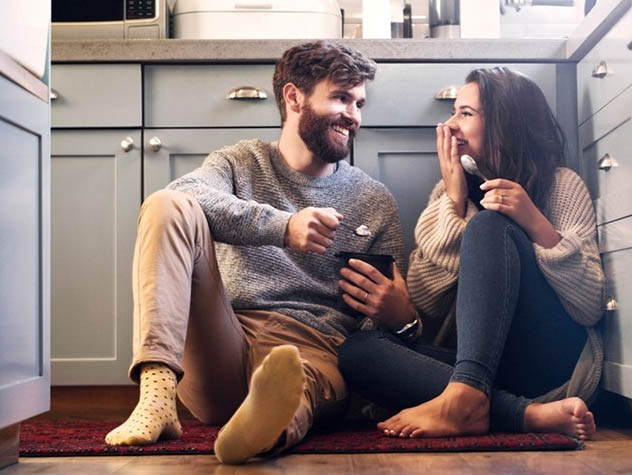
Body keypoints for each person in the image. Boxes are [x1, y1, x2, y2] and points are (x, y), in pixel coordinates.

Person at [103, 41, 418, 464]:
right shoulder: (240, 163)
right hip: (225, 340)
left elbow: (378, 332)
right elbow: (182, 193)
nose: (354, 116)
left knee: (297, 380)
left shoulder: (374, 200)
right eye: (341, 98)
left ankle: (261, 429)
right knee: (166, 205)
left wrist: (402, 319)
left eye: (359, 103)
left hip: (315, 349)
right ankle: (156, 395)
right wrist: (283, 226)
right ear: (294, 97)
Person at [337, 67, 604, 439]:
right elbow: (428, 306)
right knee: (358, 351)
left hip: (552, 362)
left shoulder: (561, 185)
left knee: (490, 225)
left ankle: (471, 396)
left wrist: (535, 223)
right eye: (453, 112)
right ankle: (523, 415)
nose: (450, 126)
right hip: (486, 372)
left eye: (465, 113)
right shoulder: (450, 193)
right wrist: (453, 201)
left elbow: (589, 306)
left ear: (504, 124)